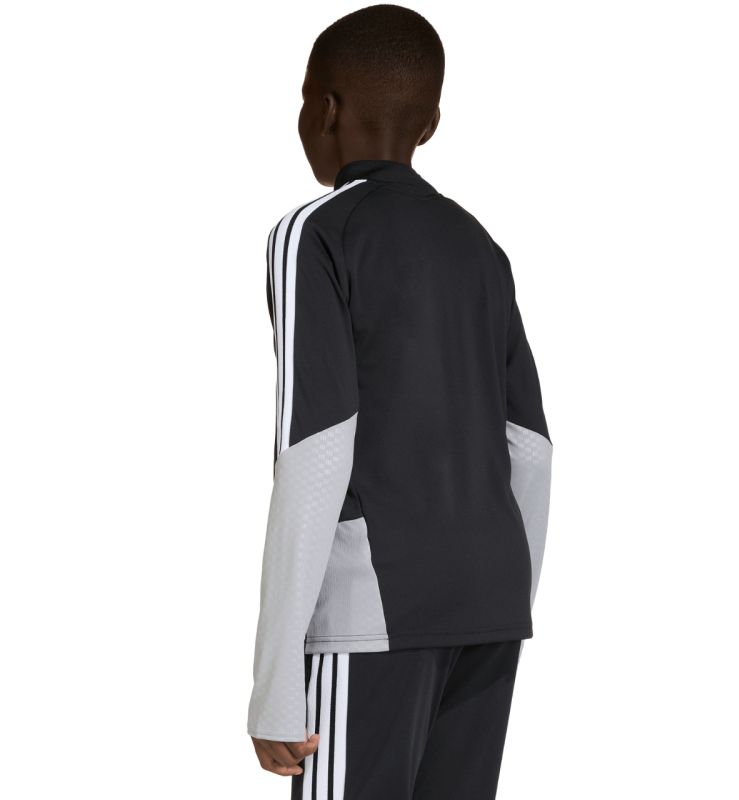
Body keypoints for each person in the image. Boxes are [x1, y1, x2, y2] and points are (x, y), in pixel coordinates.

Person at [247, 4, 553, 798]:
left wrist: (277, 680)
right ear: (430, 124)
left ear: (323, 109)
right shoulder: (479, 245)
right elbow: (531, 448)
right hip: (489, 606)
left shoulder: (315, 232)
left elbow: (314, 447)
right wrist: (500, 600)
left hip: (374, 614)